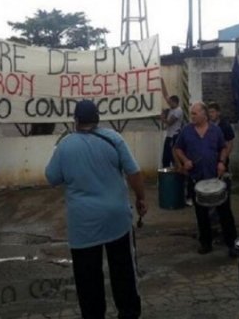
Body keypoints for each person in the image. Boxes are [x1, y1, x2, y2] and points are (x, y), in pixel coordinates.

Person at [45, 100, 147, 319]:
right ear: (98, 118)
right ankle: (128, 313)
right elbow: (134, 172)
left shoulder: (65, 145)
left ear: (76, 120)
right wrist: (141, 199)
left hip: (83, 225)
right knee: (124, 270)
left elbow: (51, 178)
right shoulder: (114, 139)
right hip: (117, 219)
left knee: (87, 276)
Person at [174, 102, 236, 257]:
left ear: (204, 114)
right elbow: (177, 148)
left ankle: (232, 243)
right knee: (201, 214)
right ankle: (206, 243)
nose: (192, 116)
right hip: (196, 179)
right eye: (191, 113)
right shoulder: (186, 131)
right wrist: (185, 160)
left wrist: (222, 162)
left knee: (225, 213)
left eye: (195, 113)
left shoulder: (216, 131)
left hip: (216, 179)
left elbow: (223, 147)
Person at [207, 102, 238, 257]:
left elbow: (229, 144)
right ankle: (213, 223)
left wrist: (224, 159)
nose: (211, 114)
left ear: (218, 112)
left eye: (213, 112)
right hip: (211, 164)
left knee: (223, 192)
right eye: (209, 112)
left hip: (222, 163)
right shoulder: (208, 126)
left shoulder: (224, 126)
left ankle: (223, 224)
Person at [160, 80, 183, 168]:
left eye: (170, 103)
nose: (169, 104)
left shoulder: (178, 111)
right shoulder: (172, 108)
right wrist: (162, 82)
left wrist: (162, 118)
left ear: (175, 102)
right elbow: (165, 95)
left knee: (173, 158)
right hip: (169, 136)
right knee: (165, 158)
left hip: (174, 137)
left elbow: (170, 122)